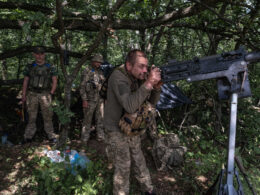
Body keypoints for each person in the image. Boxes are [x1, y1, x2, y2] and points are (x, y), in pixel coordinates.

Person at [104, 49, 162, 195]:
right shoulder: (118, 77)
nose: (145, 70)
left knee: (138, 159)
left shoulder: (138, 76)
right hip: (116, 128)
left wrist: (156, 87)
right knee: (123, 166)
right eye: (141, 66)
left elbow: (151, 103)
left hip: (132, 126)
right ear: (129, 66)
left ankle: (148, 189)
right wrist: (148, 83)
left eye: (146, 67)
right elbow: (130, 105)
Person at [21, 46, 58, 143]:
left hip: (45, 94)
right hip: (32, 94)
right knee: (31, 116)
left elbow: (54, 80)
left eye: (41, 54)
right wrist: (23, 95)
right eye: (37, 54)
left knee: (48, 116)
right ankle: (28, 137)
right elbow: (26, 81)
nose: (39, 56)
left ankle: (51, 136)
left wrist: (51, 93)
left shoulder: (50, 67)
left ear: (44, 55)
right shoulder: (30, 66)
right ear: (34, 54)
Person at [79, 54, 106, 143]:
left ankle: (100, 136)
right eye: (97, 61)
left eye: (100, 62)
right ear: (93, 61)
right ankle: (84, 139)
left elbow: (103, 85)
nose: (98, 63)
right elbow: (82, 86)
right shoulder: (87, 71)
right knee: (87, 120)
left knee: (100, 119)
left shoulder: (101, 72)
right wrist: (84, 99)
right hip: (90, 100)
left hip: (100, 100)